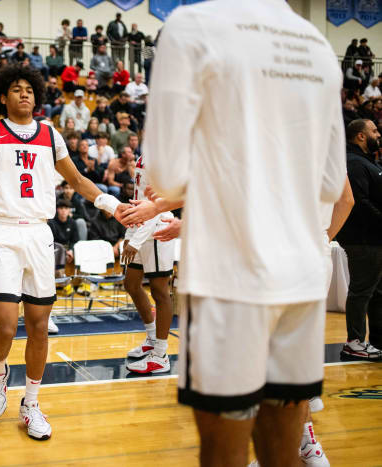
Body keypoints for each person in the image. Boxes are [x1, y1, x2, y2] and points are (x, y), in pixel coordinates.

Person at [122, 1, 348, 466]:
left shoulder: (193, 25)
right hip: (304, 274)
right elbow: (329, 184)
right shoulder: (320, 45)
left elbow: (165, 172)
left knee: (225, 453)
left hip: (232, 276)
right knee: (284, 452)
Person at [0, 63, 127, 441]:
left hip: (38, 234)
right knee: (4, 323)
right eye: (16, 89)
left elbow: (79, 180)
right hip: (1, 233)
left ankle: (31, 403)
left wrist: (112, 205)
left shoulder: (50, 135)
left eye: (29, 90)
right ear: (2, 96)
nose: (24, 94)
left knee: (38, 326)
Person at [122, 152, 176, 375]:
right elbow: (139, 198)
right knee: (131, 284)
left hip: (157, 228)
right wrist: (130, 230)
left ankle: (161, 355)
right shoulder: (145, 155)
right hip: (141, 225)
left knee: (160, 291)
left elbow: (158, 205)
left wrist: (135, 239)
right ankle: (153, 337)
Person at [336, 119, 382, 361]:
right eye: (373, 130)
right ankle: (354, 341)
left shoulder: (367, 162)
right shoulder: (354, 163)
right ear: (361, 136)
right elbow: (360, 204)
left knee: (377, 291)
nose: (378, 134)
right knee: (362, 290)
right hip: (362, 238)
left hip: (374, 238)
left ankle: (376, 341)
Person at [48, 199, 79, 265]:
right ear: (57, 210)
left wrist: (71, 250)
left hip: (68, 248)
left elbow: (74, 240)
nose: (63, 210)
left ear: (69, 210)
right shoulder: (51, 223)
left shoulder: (73, 223)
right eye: (61, 208)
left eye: (66, 208)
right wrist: (64, 251)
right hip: (56, 249)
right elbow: (51, 241)